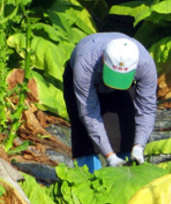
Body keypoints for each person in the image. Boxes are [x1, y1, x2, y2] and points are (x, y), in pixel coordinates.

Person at [63, 33, 157, 171]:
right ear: (103, 59)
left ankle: (127, 174)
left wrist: (139, 146)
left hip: (125, 85)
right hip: (88, 80)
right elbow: (89, 112)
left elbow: (147, 109)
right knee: (85, 138)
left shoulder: (145, 64)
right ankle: (88, 175)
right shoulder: (85, 63)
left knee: (126, 133)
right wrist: (109, 156)